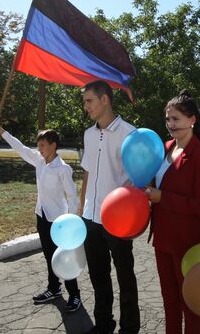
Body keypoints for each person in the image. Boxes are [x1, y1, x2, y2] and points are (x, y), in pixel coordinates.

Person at [144, 90, 200, 334]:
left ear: (192, 119)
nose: (170, 125)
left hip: (187, 241)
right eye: (167, 119)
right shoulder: (164, 147)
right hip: (162, 238)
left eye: (176, 119)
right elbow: (156, 184)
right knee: (169, 300)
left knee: (190, 302)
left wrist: (163, 197)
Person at [0, 122, 82, 312]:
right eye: (38, 145)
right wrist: (2, 132)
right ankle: (54, 289)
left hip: (59, 222)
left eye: (42, 145)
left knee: (63, 257)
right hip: (41, 216)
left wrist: (72, 222)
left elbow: (73, 197)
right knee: (49, 256)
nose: (39, 149)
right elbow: (20, 148)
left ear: (53, 145)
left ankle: (75, 295)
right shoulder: (39, 160)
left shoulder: (62, 169)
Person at [79, 80, 140, 334]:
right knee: (98, 277)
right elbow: (86, 172)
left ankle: (129, 328)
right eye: (84, 102)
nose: (86, 107)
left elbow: (138, 178)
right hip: (91, 218)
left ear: (105, 100)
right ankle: (103, 324)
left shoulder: (130, 134)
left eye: (89, 101)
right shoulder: (89, 134)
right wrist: (81, 210)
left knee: (125, 277)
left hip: (119, 220)